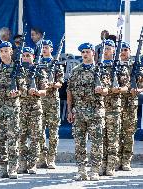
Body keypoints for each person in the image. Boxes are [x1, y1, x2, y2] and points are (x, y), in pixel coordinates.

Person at [67, 42, 105, 181]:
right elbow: (69, 91)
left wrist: (102, 90)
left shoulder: (100, 70)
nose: (85, 54)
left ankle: (94, 170)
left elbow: (108, 89)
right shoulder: (76, 70)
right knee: (79, 143)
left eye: (87, 52)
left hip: (95, 111)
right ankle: (81, 170)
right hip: (79, 112)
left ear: (93, 53)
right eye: (83, 52)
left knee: (96, 142)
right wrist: (70, 110)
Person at [0, 41, 24, 179]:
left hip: (12, 108)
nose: (4, 53)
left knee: (12, 138)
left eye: (6, 50)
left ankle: (12, 168)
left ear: (11, 52)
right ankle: (2, 167)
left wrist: (17, 92)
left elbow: (23, 89)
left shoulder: (18, 68)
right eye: (2, 51)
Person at [100, 39, 129, 176]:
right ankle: (101, 164)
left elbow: (126, 87)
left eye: (108, 48)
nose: (106, 50)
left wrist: (118, 89)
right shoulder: (98, 66)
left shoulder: (120, 67)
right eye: (104, 48)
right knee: (100, 138)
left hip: (114, 108)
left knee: (113, 138)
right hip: (100, 107)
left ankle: (110, 165)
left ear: (113, 50)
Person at [18, 46, 48, 175]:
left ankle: (32, 164)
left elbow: (44, 91)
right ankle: (22, 164)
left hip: (35, 109)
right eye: (24, 55)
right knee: (21, 138)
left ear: (33, 57)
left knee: (35, 138)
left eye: (28, 55)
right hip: (20, 108)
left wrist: (37, 92)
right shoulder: (17, 71)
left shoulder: (39, 71)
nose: (25, 58)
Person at [38, 40, 64, 169]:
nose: (44, 49)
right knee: (39, 130)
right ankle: (42, 158)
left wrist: (52, 84)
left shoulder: (56, 64)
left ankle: (51, 158)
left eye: (46, 47)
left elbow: (60, 83)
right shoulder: (37, 63)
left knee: (54, 131)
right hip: (40, 101)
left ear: (51, 49)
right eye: (42, 47)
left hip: (53, 100)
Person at [118, 42, 141, 171]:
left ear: (130, 51)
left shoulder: (136, 67)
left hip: (131, 104)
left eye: (126, 50)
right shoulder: (115, 66)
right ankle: (115, 160)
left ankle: (126, 161)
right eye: (121, 50)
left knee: (128, 133)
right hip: (116, 104)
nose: (123, 52)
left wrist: (137, 89)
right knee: (115, 133)